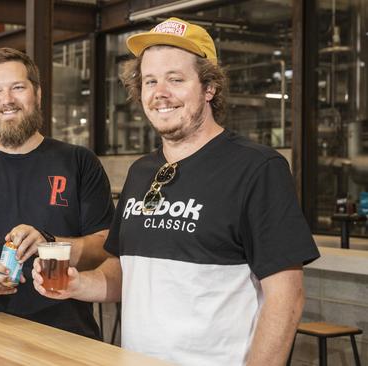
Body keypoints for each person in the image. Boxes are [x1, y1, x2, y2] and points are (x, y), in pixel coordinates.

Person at [33, 17, 320, 365]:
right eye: (150, 81)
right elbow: (125, 272)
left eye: (176, 79)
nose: (160, 93)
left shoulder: (256, 168)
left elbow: (287, 297)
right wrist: (78, 285)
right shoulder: (141, 172)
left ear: (209, 87)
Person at [0, 47, 114, 339]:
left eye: (18, 87)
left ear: (38, 94)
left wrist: (52, 243)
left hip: (66, 339)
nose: (7, 100)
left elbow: (106, 246)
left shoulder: (79, 162)